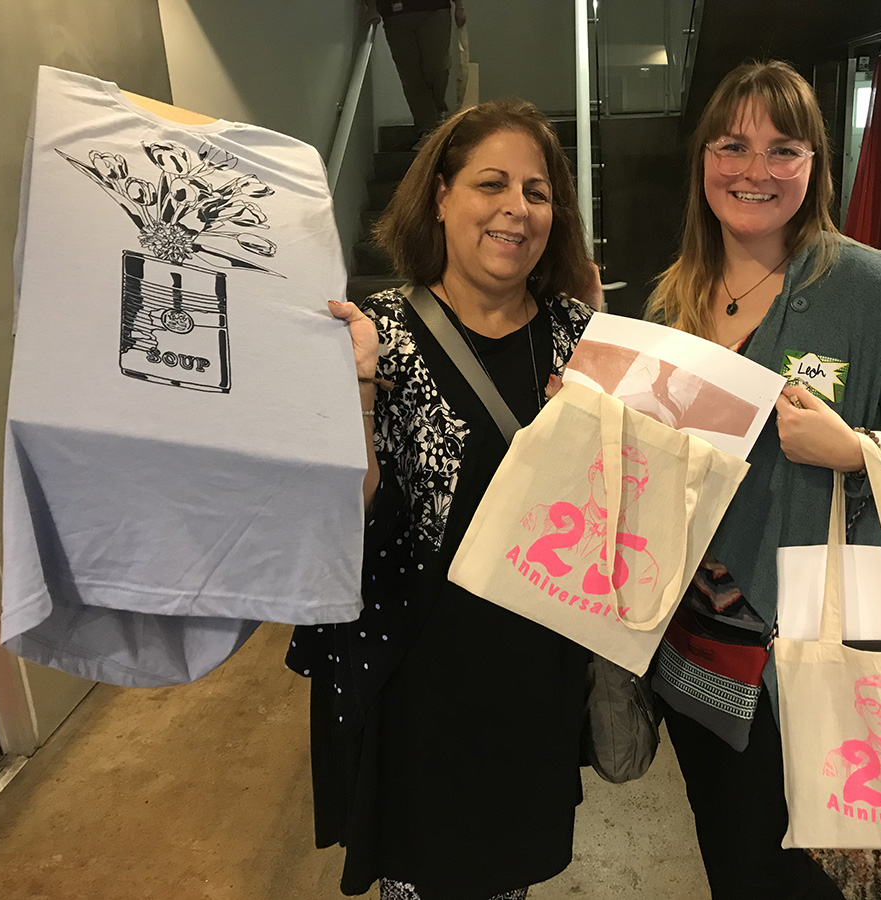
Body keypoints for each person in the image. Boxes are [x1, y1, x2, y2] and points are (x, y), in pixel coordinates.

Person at [646, 60, 881, 899]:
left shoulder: (868, 286)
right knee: (727, 844)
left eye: (782, 149)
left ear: (815, 165)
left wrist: (856, 447)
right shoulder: (673, 299)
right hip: (686, 639)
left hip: (807, 638)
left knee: (793, 862)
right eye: (733, 145)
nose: (755, 170)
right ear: (704, 160)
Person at [286, 98, 596, 900]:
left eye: (536, 191)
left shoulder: (579, 336)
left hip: (534, 678)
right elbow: (340, 513)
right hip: (415, 676)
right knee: (418, 881)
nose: (515, 209)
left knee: (507, 883)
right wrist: (354, 382)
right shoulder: (377, 332)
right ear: (441, 198)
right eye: (490, 183)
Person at [367, 0, 467, 148]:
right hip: (394, 16)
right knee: (411, 77)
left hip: (434, 11)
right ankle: (428, 129)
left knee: (437, 68)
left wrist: (460, 6)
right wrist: (371, 7)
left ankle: (439, 117)